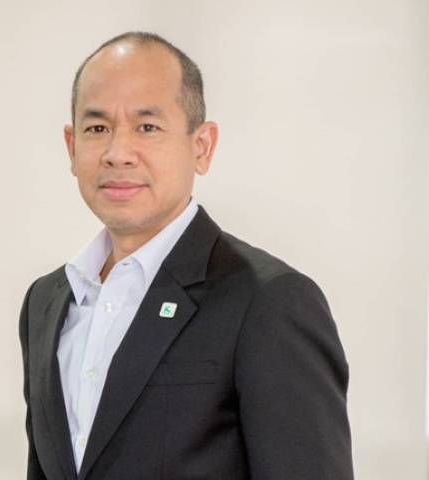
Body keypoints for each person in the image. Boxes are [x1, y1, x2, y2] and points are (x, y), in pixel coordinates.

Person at [19, 31, 353, 480]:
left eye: (147, 127)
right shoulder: (46, 303)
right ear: (72, 147)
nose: (118, 153)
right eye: (97, 128)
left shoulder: (268, 302)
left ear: (202, 147)